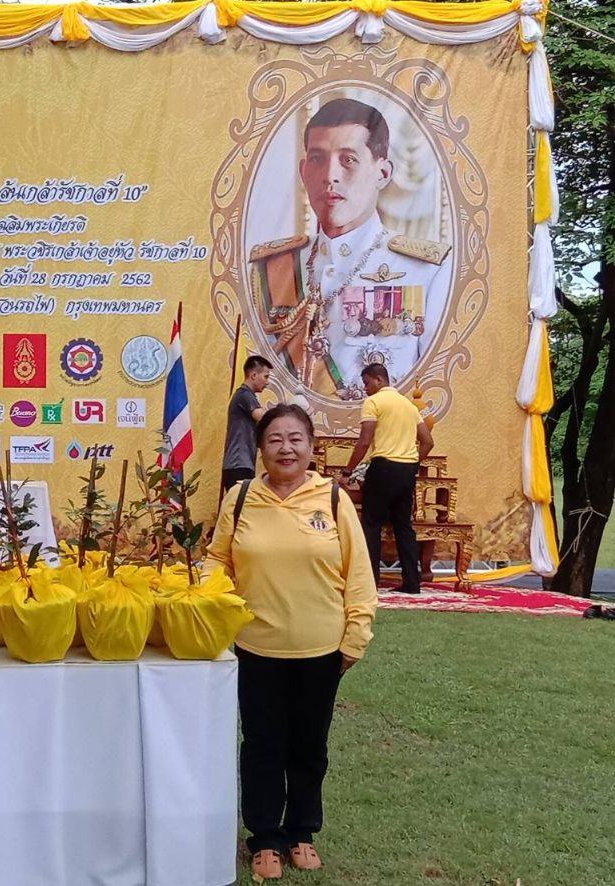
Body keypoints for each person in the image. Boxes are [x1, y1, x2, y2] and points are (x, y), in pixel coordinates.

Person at [206, 404, 377, 881]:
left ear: (311, 446)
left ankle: (302, 831)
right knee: (261, 745)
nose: (286, 448)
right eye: (275, 439)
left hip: (321, 649)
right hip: (255, 646)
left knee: (308, 746)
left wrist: (355, 636)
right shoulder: (241, 497)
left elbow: (359, 574)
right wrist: (208, 596)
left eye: (295, 438)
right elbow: (218, 559)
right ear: (261, 448)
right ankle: (264, 837)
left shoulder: (334, 498)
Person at [248, 97, 452, 400]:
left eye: (348, 159)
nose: (329, 175)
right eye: (317, 159)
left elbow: (436, 382)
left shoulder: (427, 270)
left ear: (383, 173)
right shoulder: (269, 268)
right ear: (303, 171)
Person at [340, 363, 434, 595]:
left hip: (382, 468)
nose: (365, 389)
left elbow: (364, 441)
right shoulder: (409, 405)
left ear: (379, 380)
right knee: (404, 526)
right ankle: (412, 583)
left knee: (371, 524)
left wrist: (347, 471)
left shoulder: (373, 402)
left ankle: (370, 582)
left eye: (366, 383)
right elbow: (428, 442)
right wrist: (412, 463)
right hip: (406, 471)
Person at [221, 355, 273, 493]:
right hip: (238, 464)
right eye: (266, 377)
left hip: (242, 465)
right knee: (240, 504)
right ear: (254, 375)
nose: (267, 382)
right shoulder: (244, 395)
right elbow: (264, 419)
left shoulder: (246, 396)